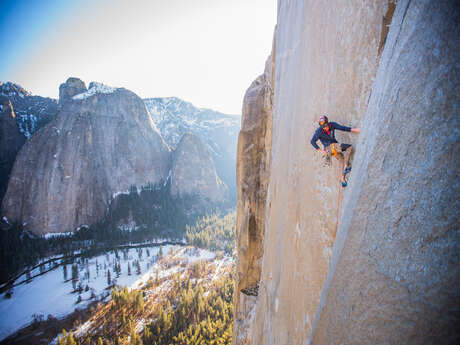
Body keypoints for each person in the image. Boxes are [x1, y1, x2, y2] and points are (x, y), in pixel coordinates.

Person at [310, 115, 360, 187]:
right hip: (329, 148)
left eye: (326, 126)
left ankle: (342, 179)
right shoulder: (318, 132)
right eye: (323, 127)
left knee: (342, 160)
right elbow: (312, 141)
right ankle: (346, 168)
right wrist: (321, 151)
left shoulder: (332, 125)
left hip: (334, 147)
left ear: (328, 123)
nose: (325, 128)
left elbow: (343, 128)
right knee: (349, 147)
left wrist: (356, 130)